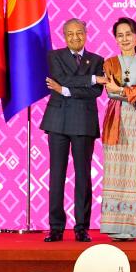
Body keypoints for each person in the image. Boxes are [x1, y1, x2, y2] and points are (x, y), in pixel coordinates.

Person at [41, 18, 105, 243]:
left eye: (79, 33)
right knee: (56, 175)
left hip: (84, 122)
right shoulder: (54, 56)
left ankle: (82, 227)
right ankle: (56, 227)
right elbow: (59, 79)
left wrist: (65, 90)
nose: (75, 37)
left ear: (86, 34)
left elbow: (96, 92)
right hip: (57, 121)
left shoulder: (97, 60)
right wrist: (89, 79)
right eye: (70, 34)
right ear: (64, 36)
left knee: (83, 176)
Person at [98, 17, 136, 241]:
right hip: (115, 119)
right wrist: (126, 91)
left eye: (128, 34)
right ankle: (113, 226)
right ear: (116, 39)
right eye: (120, 35)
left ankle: (131, 227)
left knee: (134, 171)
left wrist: (120, 89)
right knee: (114, 171)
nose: (125, 39)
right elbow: (109, 93)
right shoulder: (109, 62)